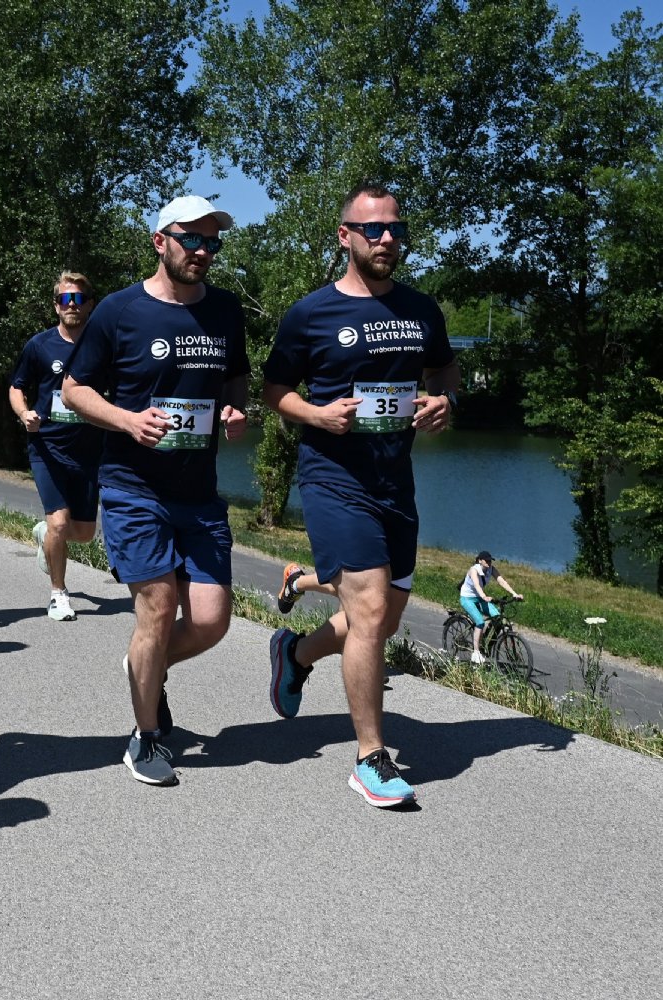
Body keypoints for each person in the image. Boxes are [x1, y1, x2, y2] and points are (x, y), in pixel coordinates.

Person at [262, 182, 459, 808]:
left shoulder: (421, 309)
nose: (387, 239)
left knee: (382, 618)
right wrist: (316, 415)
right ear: (345, 235)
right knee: (370, 609)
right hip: (332, 479)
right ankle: (371, 757)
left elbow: (444, 368)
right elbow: (274, 391)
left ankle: (296, 652)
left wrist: (445, 399)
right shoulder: (311, 313)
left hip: (394, 481)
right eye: (373, 229)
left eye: (396, 229)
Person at [62, 195, 249, 787]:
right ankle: (145, 738)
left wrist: (234, 410)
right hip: (133, 487)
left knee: (212, 620)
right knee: (158, 607)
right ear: (159, 242)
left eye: (211, 242)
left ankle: (144, 663)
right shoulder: (119, 311)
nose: (202, 251)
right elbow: (73, 390)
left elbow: (236, 377)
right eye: (190, 239)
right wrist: (126, 420)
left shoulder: (225, 309)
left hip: (199, 492)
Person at [9, 272, 103, 621]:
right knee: (61, 524)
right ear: (56, 306)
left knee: (84, 533)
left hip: (89, 451)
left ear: (90, 304)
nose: (72, 305)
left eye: (79, 299)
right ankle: (58, 595)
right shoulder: (40, 345)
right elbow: (17, 387)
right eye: (65, 299)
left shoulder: (104, 345)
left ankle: (46, 534)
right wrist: (24, 413)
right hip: (47, 447)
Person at [460, 550, 523, 662]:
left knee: (498, 618)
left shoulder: (491, 569)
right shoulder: (473, 570)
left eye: (490, 561)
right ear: (480, 560)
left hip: (479, 598)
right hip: (467, 598)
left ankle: (485, 644)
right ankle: (476, 653)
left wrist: (514, 594)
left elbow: (502, 581)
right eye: (487, 561)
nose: (489, 563)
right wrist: (484, 596)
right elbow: (477, 585)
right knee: (480, 622)